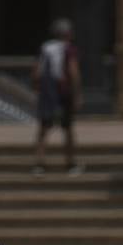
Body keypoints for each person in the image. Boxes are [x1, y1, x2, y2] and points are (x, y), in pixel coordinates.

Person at [32, 18, 83, 176]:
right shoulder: (69, 49)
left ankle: (40, 165)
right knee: (67, 129)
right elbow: (73, 72)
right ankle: (70, 164)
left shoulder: (45, 47)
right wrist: (77, 94)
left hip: (48, 93)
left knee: (43, 129)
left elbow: (37, 72)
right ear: (68, 33)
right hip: (63, 92)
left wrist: (39, 91)